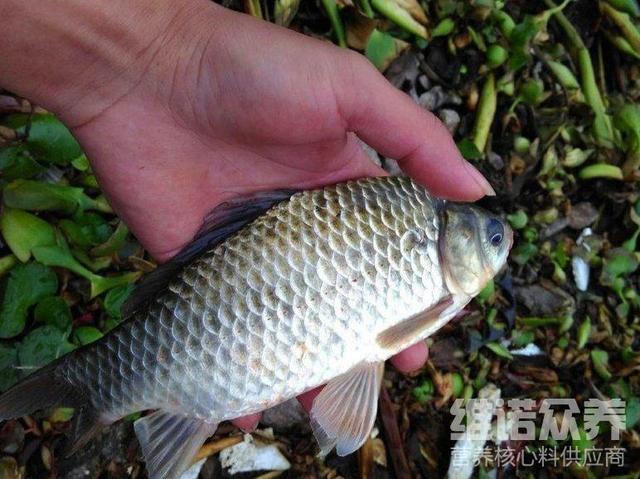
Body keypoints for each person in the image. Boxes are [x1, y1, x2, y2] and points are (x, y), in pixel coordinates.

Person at [0, 0, 495, 432]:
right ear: (454, 236)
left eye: (492, 238)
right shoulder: (422, 244)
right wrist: (157, 55)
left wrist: (154, 55)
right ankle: (108, 387)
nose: (498, 244)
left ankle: (122, 392)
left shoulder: (418, 241)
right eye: (491, 239)